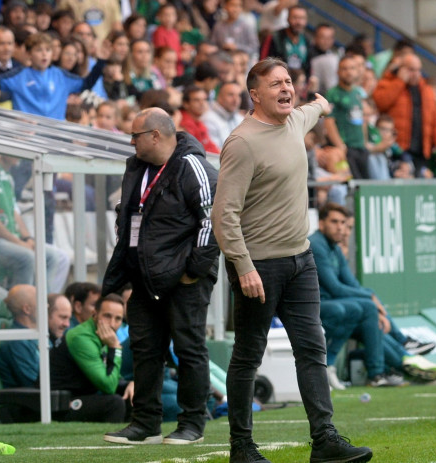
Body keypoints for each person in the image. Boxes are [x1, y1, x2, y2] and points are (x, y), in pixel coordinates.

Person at [211, 57, 372, 463]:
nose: (286, 89)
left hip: (301, 259)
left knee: (312, 349)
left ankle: (325, 440)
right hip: (259, 267)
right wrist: (243, 266)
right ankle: (241, 448)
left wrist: (322, 103)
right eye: (276, 84)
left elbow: (313, 109)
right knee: (248, 355)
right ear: (255, 95)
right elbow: (223, 214)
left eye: (288, 82)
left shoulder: (296, 121)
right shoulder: (242, 142)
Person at [102, 107, 219, 445]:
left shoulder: (193, 165)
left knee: (189, 348)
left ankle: (192, 424)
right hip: (144, 278)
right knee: (145, 349)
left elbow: (213, 221)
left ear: (155, 135)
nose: (131, 142)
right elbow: (128, 216)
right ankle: (145, 423)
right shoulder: (135, 167)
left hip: (184, 279)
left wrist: (193, 271)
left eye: (135, 135)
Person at [310, 203, 436, 390]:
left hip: (338, 305)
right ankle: (398, 356)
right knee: (365, 306)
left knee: (372, 320)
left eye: (343, 222)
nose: (340, 227)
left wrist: (374, 304)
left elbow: (352, 284)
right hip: (318, 305)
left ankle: (385, 370)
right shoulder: (316, 244)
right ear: (321, 223)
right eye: (334, 222)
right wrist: (370, 296)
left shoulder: (335, 248)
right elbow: (335, 288)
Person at [0, 151, 70, 292]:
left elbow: (14, 212)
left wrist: (27, 238)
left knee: (54, 257)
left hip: (7, 240)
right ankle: (22, 309)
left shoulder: (4, 174)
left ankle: (46, 306)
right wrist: (18, 243)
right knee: (26, 257)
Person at [0, 32, 107, 120]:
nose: (44, 54)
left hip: (56, 136)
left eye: (47, 50)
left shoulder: (60, 75)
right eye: (39, 50)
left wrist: (100, 62)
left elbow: (86, 84)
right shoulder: (19, 75)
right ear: (29, 54)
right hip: (28, 136)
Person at [49, 294, 133, 423]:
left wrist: (130, 384)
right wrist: (115, 348)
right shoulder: (81, 337)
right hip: (59, 403)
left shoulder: (101, 336)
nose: (112, 324)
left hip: (82, 396)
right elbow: (108, 386)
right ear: (95, 314)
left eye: (118, 319)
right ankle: (109, 441)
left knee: (133, 394)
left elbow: (113, 378)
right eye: (107, 316)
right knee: (114, 403)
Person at [373, 53, 436, 178]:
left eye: (418, 70)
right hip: (397, 150)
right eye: (411, 70)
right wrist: (399, 81)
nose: (416, 74)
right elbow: (380, 103)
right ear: (401, 69)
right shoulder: (387, 83)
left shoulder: (426, 90)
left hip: (422, 151)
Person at [324, 55, 371, 179]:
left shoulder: (358, 93)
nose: (348, 72)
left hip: (361, 148)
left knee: (365, 186)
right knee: (352, 185)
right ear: (338, 72)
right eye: (344, 69)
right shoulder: (333, 94)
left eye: (352, 68)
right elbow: (329, 122)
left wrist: (365, 143)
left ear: (357, 71)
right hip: (346, 148)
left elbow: (363, 120)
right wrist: (340, 146)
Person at [0, 284, 40, 388]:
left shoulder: (36, 335)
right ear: (27, 309)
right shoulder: (17, 342)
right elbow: (35, 383)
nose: (47, 305)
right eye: (41, 301)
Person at [201, 80, 245, 148]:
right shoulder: (208, 119)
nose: (236, 100)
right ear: (219, 97)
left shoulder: (240, 119)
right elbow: (213, 154)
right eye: (231, 95)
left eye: (239, 95)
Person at [180, 84, 221, 153]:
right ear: (185, 104)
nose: (202, 103)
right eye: (197, 100)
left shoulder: (199, 123)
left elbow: (211, 147)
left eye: (204, 99)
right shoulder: (184, 123)